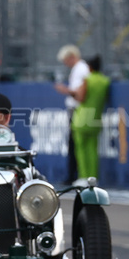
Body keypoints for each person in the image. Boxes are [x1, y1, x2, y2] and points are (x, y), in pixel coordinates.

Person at [72, 56, 111, 181]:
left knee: (81, 150)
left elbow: (80, 97)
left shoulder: (87, 80)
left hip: (83, 118)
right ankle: (93, 177)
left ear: (89, 67)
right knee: (93, 150)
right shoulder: (105, 81)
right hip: (95, 118)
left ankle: (83, 177)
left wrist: (71, 93)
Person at [55, 45, 90, 181]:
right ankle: (73, 175)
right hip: (75, 110)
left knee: (75, 144)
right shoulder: (78, 69)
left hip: (78, 110)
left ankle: (74, 175)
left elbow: (79, 94)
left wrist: (65, 90)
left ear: (71, 57)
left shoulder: (81, 69)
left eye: (65, 60)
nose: (65, 64)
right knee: (73, 144)